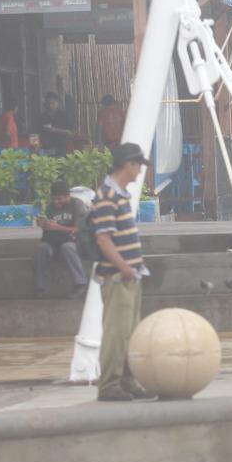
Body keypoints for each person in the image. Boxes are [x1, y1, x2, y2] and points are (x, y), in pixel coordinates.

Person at [92, 143, 152, 402]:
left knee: (130, 332)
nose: (140, 172)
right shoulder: (106, 196)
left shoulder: (119, 195)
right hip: (118, 277)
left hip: (131, 275)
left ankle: (127, 381)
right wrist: (124, 266)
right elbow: (103, 239)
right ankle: (109, 384)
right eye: (138, 166)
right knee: (116, 333)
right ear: (129, 165)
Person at [33, 181, 86, 298]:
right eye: (54, 199)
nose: (56, 202)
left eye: (60, 199)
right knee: (42, 248)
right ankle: (40, 288)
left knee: (67, 247)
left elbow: (79, 229)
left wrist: (58, 227)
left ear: (68, 196)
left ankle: (80, 284)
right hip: (55, 242)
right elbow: (49, 232)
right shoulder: (50, 208)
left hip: (75, 242)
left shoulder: (77, 205)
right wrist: (45, 225)